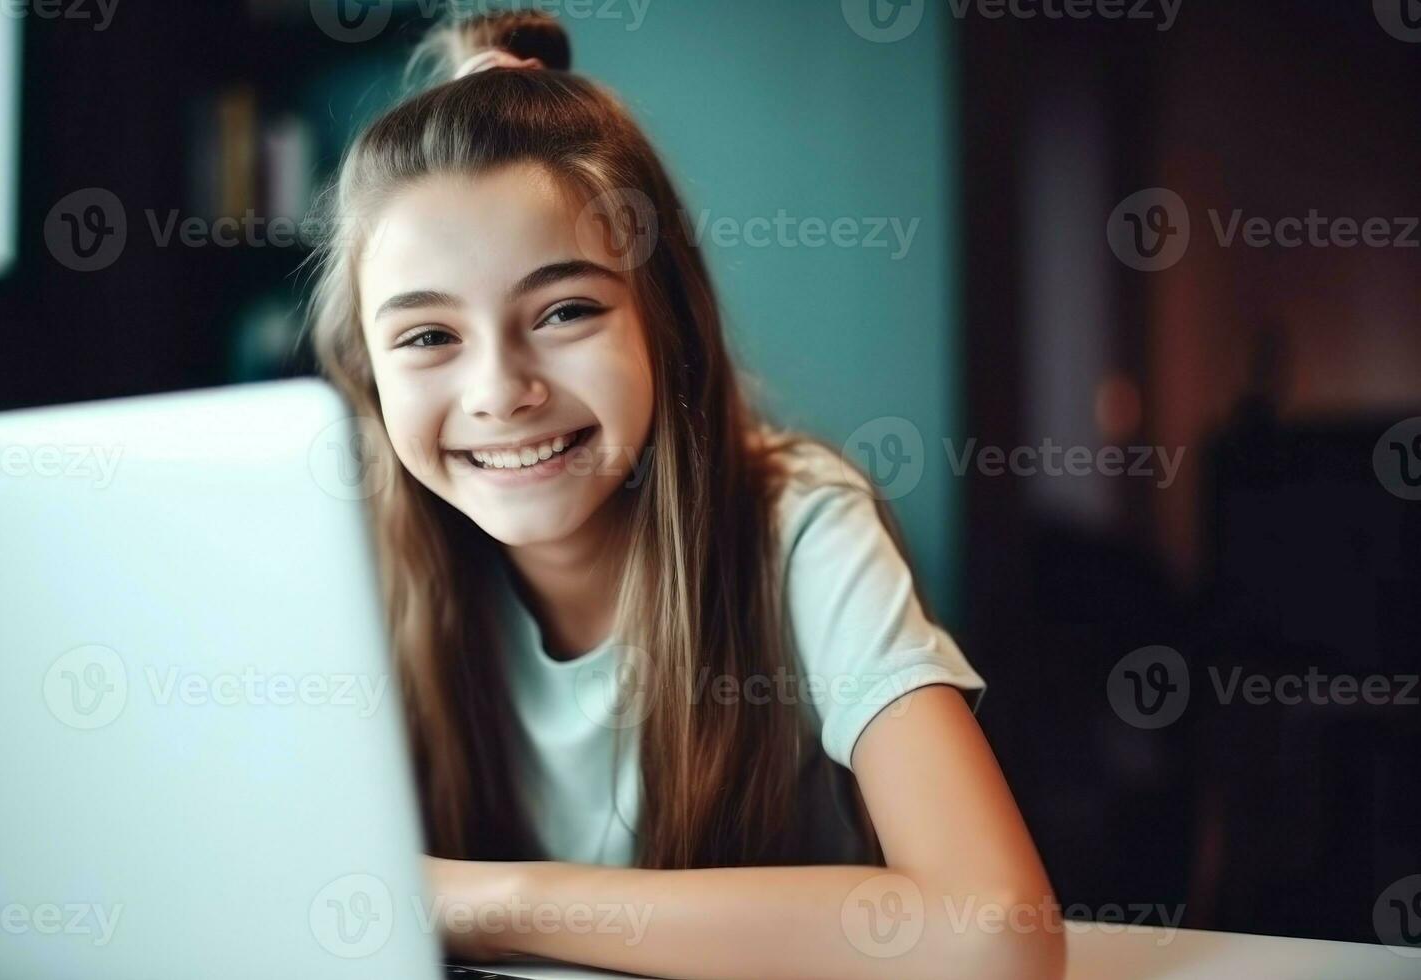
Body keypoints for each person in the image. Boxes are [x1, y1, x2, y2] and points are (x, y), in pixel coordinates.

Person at [304, 10, 1064, 979]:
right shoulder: (340, 561)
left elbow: (995, 934)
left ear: (666, 322)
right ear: (366, 371)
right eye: (427, 336)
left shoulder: (801, 521)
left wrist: (485, 899)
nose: (500, 390)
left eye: (566, 310)